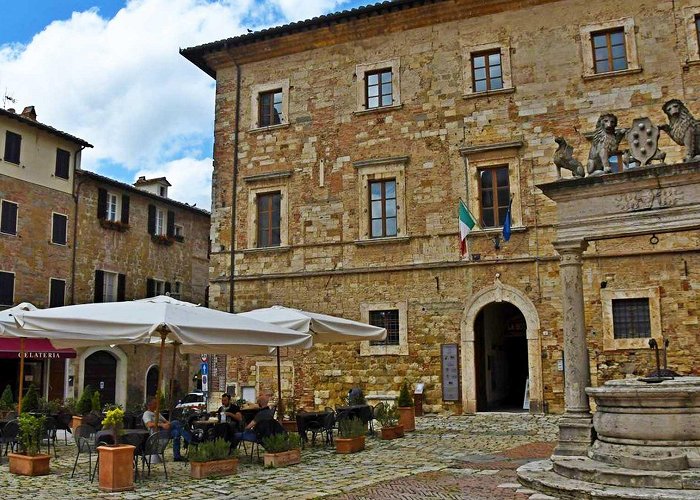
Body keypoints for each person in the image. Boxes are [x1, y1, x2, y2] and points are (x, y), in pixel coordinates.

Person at [142, 396, 192, 462]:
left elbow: (166, 421)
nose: (157, 405)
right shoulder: (146, 414)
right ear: (149, 405)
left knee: (176, 432)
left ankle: (177, 457)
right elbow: (149, 424)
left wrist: (167, 424)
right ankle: (191, 440)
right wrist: (162, 425)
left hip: (165, 431)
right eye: (155, 403)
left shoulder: (157, 413)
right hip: (157, 433)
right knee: (176, 422)